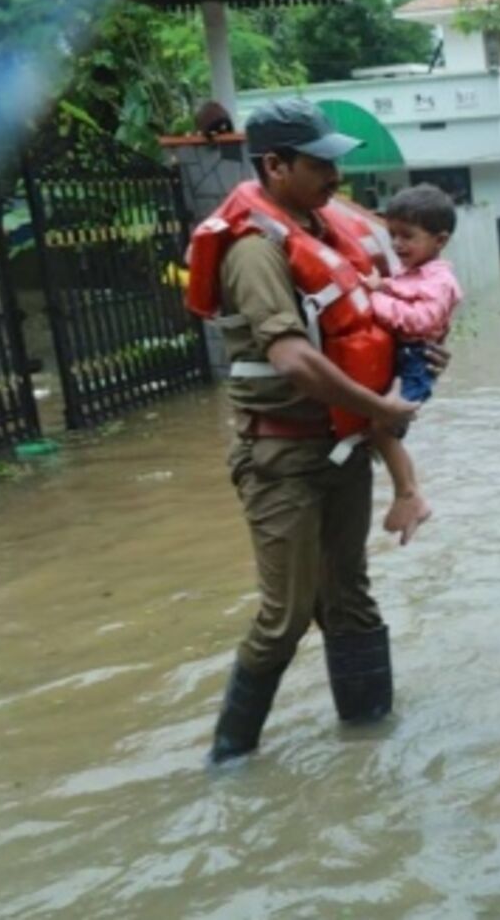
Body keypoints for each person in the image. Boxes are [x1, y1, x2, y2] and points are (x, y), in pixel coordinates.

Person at [183, 98, 432, 764]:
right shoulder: (252, 251)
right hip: (281, 456)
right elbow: (292, 359)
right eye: (320, 164)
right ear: (275, 165)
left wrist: (413, 359)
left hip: (340, 448)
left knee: (348, 599)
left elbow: (367, 324)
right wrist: (381, 411)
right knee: (285, 616)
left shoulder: (322, 231)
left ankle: (370, 743)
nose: (335, 177)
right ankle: (230, 762)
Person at [360, 184, 461, 545]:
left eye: (408, 237)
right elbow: (400, 290)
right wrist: (383, 287)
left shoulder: (439, 280)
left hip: (415, 363)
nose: (398, 245)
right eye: (393, 236)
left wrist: (374, 300)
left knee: (383, 426)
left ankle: (409, 494)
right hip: (406, 359)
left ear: (440, 240)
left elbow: (418, 321)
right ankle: (407, 493)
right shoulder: (415, 273)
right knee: (378, 427)